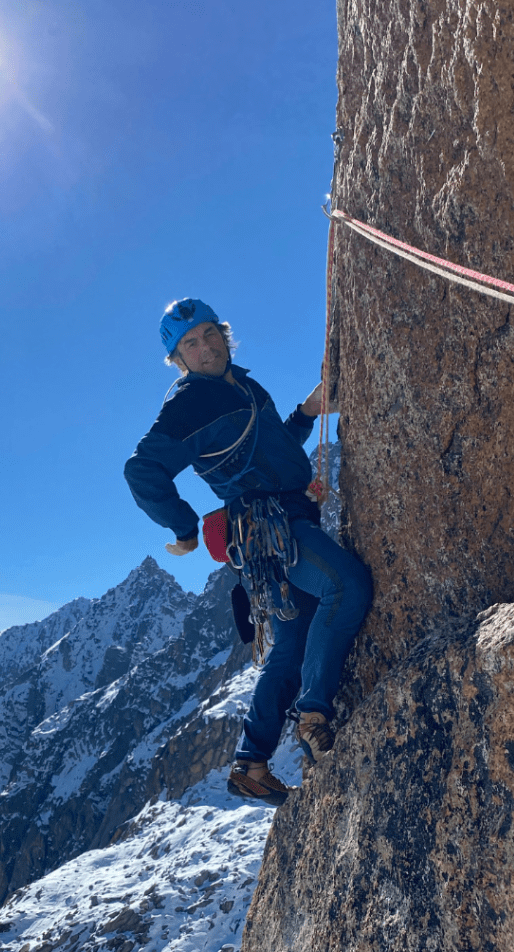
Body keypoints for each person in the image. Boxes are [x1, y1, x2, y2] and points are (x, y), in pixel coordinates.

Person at [124, 298, 372, 805]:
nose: (205, 345)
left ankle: (251, 763)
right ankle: (314, 713)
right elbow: (142, 469)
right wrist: (184, 527)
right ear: (179, 358)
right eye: (190, 343)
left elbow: (273, 445)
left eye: (209, 333)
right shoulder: (191, 401)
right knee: (345, 587)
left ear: (223, 334)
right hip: (270, 524)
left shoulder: (241, 385)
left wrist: (306, 413)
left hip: (272, 527)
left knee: (292, 642)